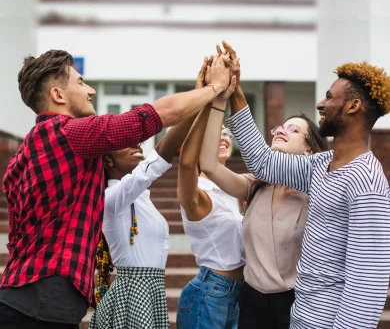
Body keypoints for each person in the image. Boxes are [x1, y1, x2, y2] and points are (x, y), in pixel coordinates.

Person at [0, 50, 231, 329]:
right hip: (45, 304)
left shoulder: (20, 158)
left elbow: (15, 241)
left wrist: (200, 96)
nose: (91, 90)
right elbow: (148, 118)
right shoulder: (69, 133)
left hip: (18, 294)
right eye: (81, 82)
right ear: (58, 95)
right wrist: (214, 88)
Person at [226, 59, 390, 329]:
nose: (320, 105)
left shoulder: (366, 182)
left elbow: (367, 284)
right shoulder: (321, 164)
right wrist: (235, 91)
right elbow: (262, 163)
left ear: (353, 106)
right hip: (299, 317)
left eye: (329, 97)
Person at [199, 42, 328, 329]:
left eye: (294, 129)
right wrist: (219, 99)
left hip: (294, 305)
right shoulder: (256, 186)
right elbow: (208, 164)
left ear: (310, 150)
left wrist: (236, 90)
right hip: (251, 304)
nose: (282, 129)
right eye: (279, 127)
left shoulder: (318, 193)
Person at [88, 59, 209, 329]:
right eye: (124, 142)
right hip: (131, 296)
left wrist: (199, 101)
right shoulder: (111, 198)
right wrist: (199, 98)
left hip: (150, 290)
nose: (137, 143)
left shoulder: (139, 196)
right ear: (107, 161)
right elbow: (157, 161)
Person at [176, 58, 245, 329]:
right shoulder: (198, 190)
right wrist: (209, 98)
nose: (223, 136)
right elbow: (185, 163)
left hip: (238, 293)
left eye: (226, 133)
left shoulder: (232, 188)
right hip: (210, 294)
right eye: (216, 133)